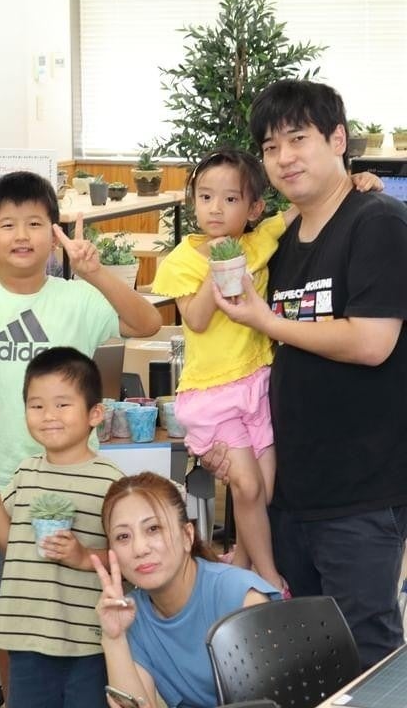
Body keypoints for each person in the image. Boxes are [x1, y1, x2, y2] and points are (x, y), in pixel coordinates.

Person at [0, 170, 162, 694]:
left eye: (35, 223)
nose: (22, 235)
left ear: (55, 233)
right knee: (7, 615)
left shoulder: (78, 298)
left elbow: (147, 324)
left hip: (77, 480)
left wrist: (96, 273)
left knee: (85, 602)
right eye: (8, 224)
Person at [205, 79, 407, 670]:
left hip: (360, 494)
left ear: (338, 139)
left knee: (367, 657)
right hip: (290, 494)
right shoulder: (282, 239)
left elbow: (371, 342)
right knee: (305, 661)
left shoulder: (377, 222)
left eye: (298, 139)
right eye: (271, 147)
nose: (284, 157)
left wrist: (269, 320)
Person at [151, 148, 291, 592]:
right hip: (212, 393)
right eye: (206, 196)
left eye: (231, 199)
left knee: (263, 489)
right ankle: (267, 578)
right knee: (246, 488)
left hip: (258, 381)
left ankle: (241, 567)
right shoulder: (183, 259)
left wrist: (358, 182)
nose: (215, 208)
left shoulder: (259, 241)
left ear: (254, 208)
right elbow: (194, 320)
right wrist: (218, 272)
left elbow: (304, 209)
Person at [0, 347, 124, 708]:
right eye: (36, 405)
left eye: (63, 404)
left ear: (95, 413)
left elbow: (127, 561)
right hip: (25, 635)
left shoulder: (111, 482)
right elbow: (12, 545)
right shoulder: (26, 471)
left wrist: (82, 556)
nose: (49, 416)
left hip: (88, 641)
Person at [92, 472, 280, 708]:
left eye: (153, 528)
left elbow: (271, 701)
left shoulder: (240, 596)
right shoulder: (129, 614)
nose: (139, 549)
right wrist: (114, 638)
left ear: (187, 535)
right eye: (123, 536)